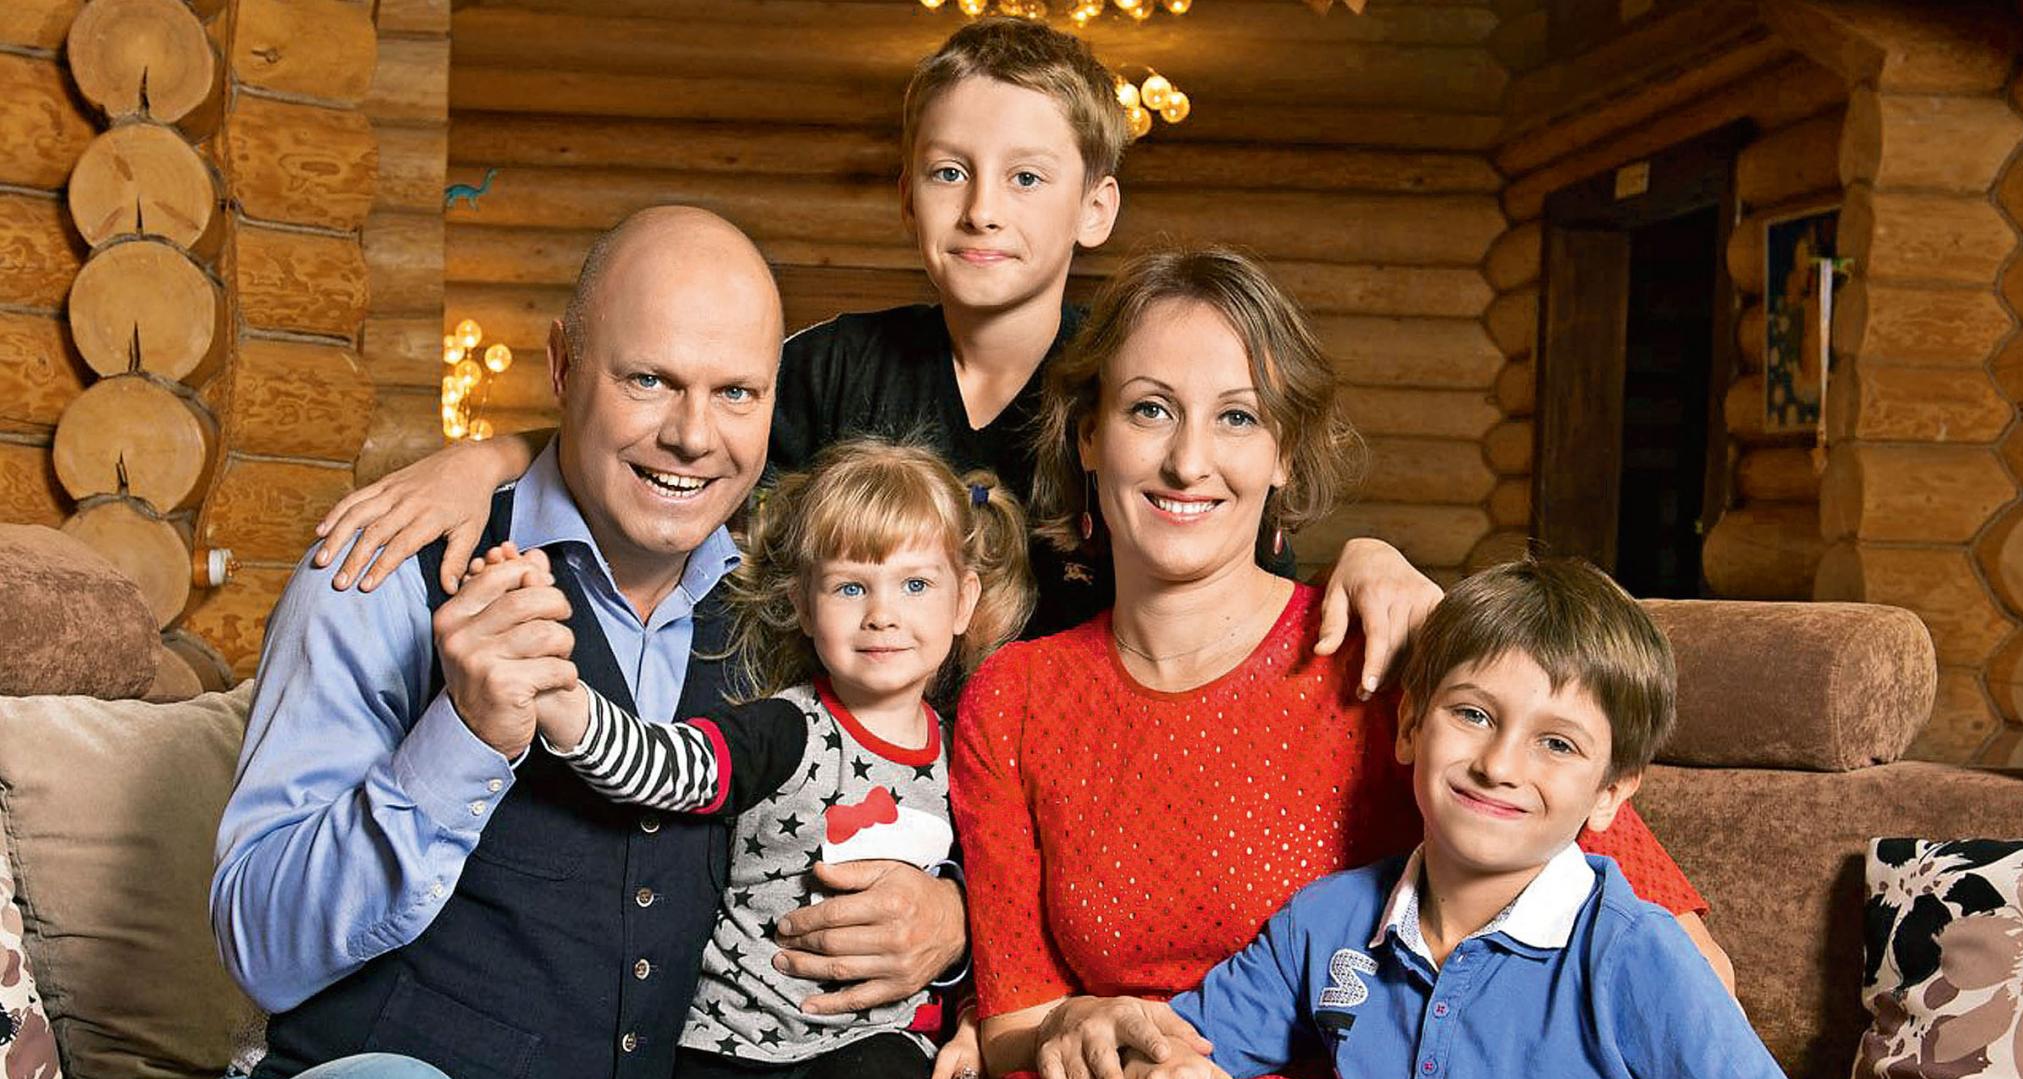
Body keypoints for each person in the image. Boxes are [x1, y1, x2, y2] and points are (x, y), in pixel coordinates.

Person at [175, 207, 972, 1079]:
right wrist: (464, 734)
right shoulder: (391, 567)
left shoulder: (789, 621)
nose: (692, 435)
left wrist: (946, 920)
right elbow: (259, 943)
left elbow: (889, 807)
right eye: (648, 380)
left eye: (736, 393)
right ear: (560, 367)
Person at [942, 245, 1764, 1079]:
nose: (1189, 459)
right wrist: (1074, 1024)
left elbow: (1680, 956)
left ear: (1284, 451)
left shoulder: (1380, 650)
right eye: (1148, 409)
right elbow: (1011, 1020)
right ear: (1088, 434)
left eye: (1237, 417)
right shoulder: (1014, 696)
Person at [308, 16, 1439, 689]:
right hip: (840, 756)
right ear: (906, 195)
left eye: (1026, 177)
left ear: (1095, 208)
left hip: (1044, 768)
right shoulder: (835, 365)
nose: (982, 208)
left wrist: (1373, 555)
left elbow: (1245, 555)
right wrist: (490, 456)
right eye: (950, 172)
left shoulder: (1134, 393)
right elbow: (674, 438)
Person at [1098, 558, 1869, 1079]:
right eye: (1472, 714)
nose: (1500, 764)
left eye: (1557, 744)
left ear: (1610, 794)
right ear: (1409, 726)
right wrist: (1148, 1061)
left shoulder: (1630, 952)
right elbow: (1177, 1041)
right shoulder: (1325, 929)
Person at [477, 438, 1033, 1079]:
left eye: (915, 586)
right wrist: (568, 710)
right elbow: (670, 768)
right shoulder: (784, 726)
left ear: (965, 603)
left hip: (870, 1038)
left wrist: (976, 1014)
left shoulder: (967, 752)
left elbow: (1000, 902)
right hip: (734, 1040)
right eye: (850, 587)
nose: (883, 614)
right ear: (805, 605)